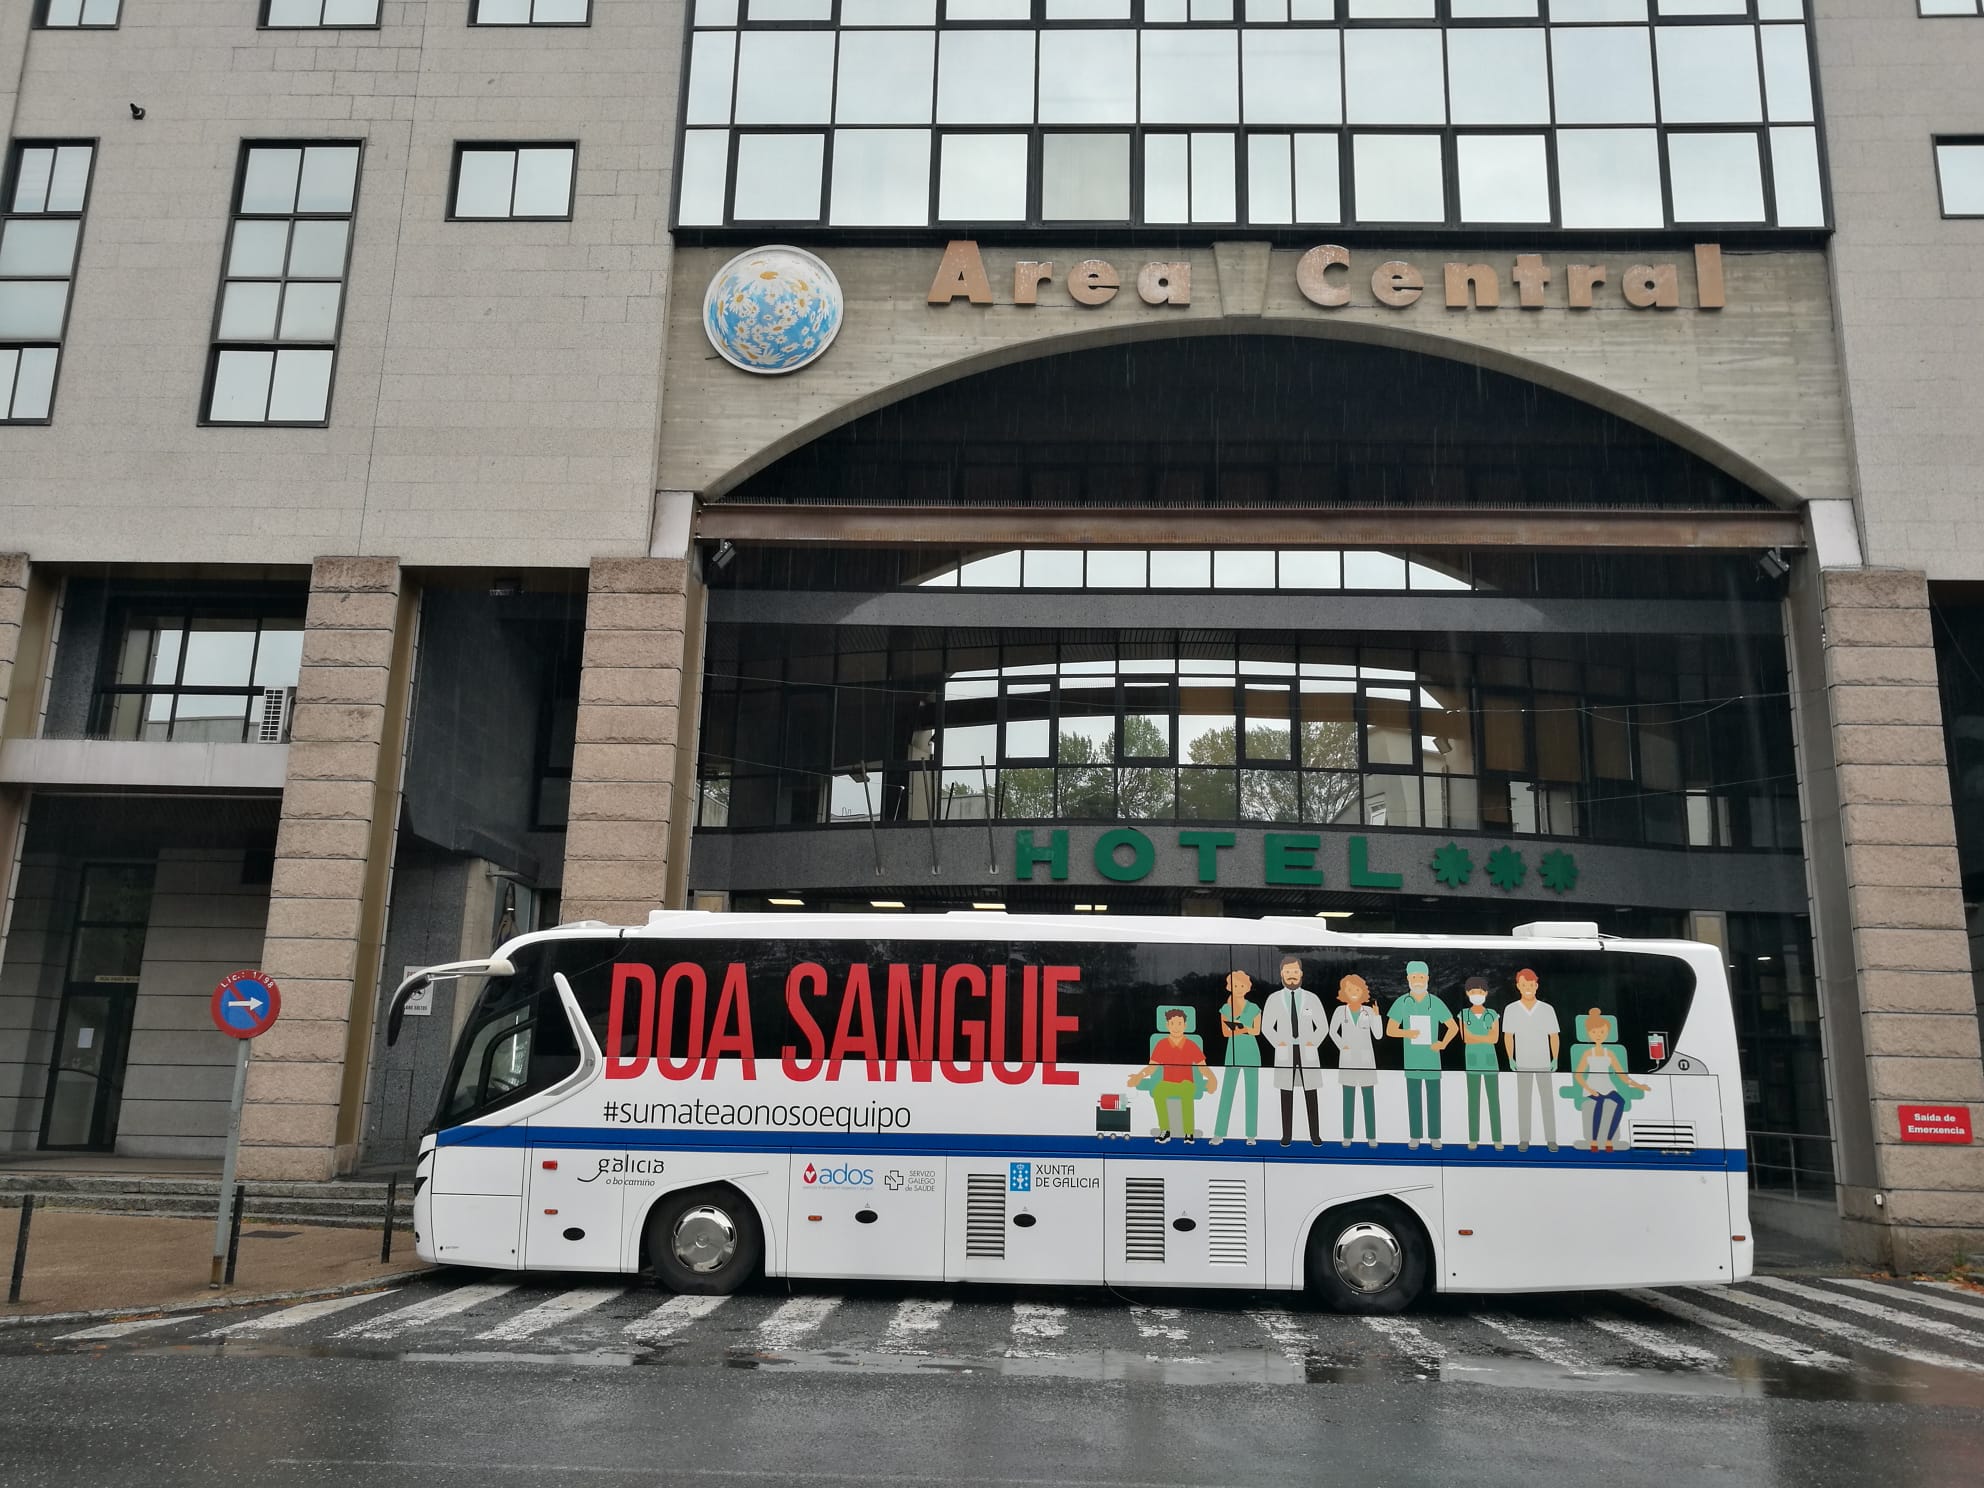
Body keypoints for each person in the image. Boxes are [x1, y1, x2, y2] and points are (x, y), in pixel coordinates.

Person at [1385, 960, 1457, 1150]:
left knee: (1434, 1101)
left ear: (1427, 978)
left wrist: (1442, 1043)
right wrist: (1407, 1033)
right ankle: (1415, 1136)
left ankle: (1435, 1137)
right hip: (1412, 1061)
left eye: (1421, 977)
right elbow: (1390, 1030)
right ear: (1408, 978)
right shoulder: (1402, 1002)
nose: (1418, 980)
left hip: (1432, 1061)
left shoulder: (1435, 1002)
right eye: (1414, 977)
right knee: (1414, 1100)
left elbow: (1453, 1027)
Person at [1261, 956, 1326, 1147]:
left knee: (1311, 1094)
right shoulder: (1274, 999)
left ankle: (1315, 1136)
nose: (1291, 976)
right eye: (1288, 972)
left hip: (1307, 1051)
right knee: (1286, 1095)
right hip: (1285, 1051)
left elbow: (1322, 1026)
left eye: (1295, 972)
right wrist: (1278, 1043)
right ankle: (1286, 1136)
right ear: (1281, 974)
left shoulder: (1312, 998)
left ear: (1301, 974)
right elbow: (1266, 1027)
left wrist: (1312, 1043)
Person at [1127, 1007, 1216, 1142]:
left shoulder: (1191, 1045)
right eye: (1172, 1023)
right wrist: (1139, 1076)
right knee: (1158, 1091)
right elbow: (1152, 1068)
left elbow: (1202, 1067)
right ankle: (1165, 1130)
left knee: (1187, 1093)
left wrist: (1212, 1078)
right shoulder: (1161, 1044)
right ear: (1167, 1025)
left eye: (1179, 1023)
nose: (1176, 1027)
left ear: (1185, 1025)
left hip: (1186, 1084)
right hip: (1168, 1084)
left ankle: (1188, 1132)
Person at [1501, 967, 1562, 1152]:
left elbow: (1554, 1036)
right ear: (1518, 986)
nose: (1528, 988)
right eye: (1524, 985)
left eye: (1531, 984)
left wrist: (1555, 1058)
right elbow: (1508, 1036)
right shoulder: (1511, 1009)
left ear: (1536, 986)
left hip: (1544, 1063)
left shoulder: (1547, 1009)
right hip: (1522, 1064)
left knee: (1547, 1103)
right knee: (1524, 1103)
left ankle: (1551, 1139)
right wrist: (1511, 1058)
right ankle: (1524, 1139)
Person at [1573, 1008, 1648, 1152]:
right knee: (1599, 1104)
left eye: (1602, 1032)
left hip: (1607, 1085)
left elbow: (1622, 1075)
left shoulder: (1610, 1053)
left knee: (1620, 1102)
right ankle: (1594, 1140)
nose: (1598, 1035)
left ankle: (1608, 1138)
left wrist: (1639, 1085)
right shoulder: (1588, 1053)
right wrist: (1589, 1089)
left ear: (1607, 1033)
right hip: (1592, 1086)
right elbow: (1578, 1075)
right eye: (1594, 1032)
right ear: (1589, 1034)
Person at [1328, 973, 1382, 1148]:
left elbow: (1378, 1035)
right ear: (1344, 991)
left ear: (1362, 992)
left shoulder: (1369, 1011)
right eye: (1350, 989)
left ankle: (1371, 1137)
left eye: (1357, 990)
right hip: (1348, 1061)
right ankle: (1347, 1137)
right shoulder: (1340, 1011)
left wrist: (1377, 1017)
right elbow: (1332, 1032)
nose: (1353, 993)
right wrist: (1342, 1045)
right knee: (1348, 1101)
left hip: (1366, 1062)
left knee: (1369, 1101)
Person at [1211, 970, 1262, 1145]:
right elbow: (1226, 1033)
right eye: (1235, 986)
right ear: (1229, 987)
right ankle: (1219, 1134)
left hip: (1251, 1054)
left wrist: (1239, 1029)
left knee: (1251, 1095)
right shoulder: (1225, 1009)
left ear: (1247, 987)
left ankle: (1251, 1136)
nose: (1238, 988)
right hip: (1232, 1053)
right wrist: (1244, 1029)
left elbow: (1256, 1031)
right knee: (1227, 1093)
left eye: (1242, 985)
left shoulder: (1254, 1008)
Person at [1458, 976, 1503, 1150]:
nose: (1477, 995)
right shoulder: (1464, 1014)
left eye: (1480, 992)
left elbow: (1495, 1038)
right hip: (1472, 1064)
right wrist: (1484, 1036)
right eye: (1473, 992)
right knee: (1473, 1102)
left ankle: (1497, 1139)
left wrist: (1476, 1037)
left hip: (1491, 1064)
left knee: (1494, 1102)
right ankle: (1473, 1139)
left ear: (1486, 993)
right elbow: (1465, 1037)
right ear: (1467, 993)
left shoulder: (1492, 1014)